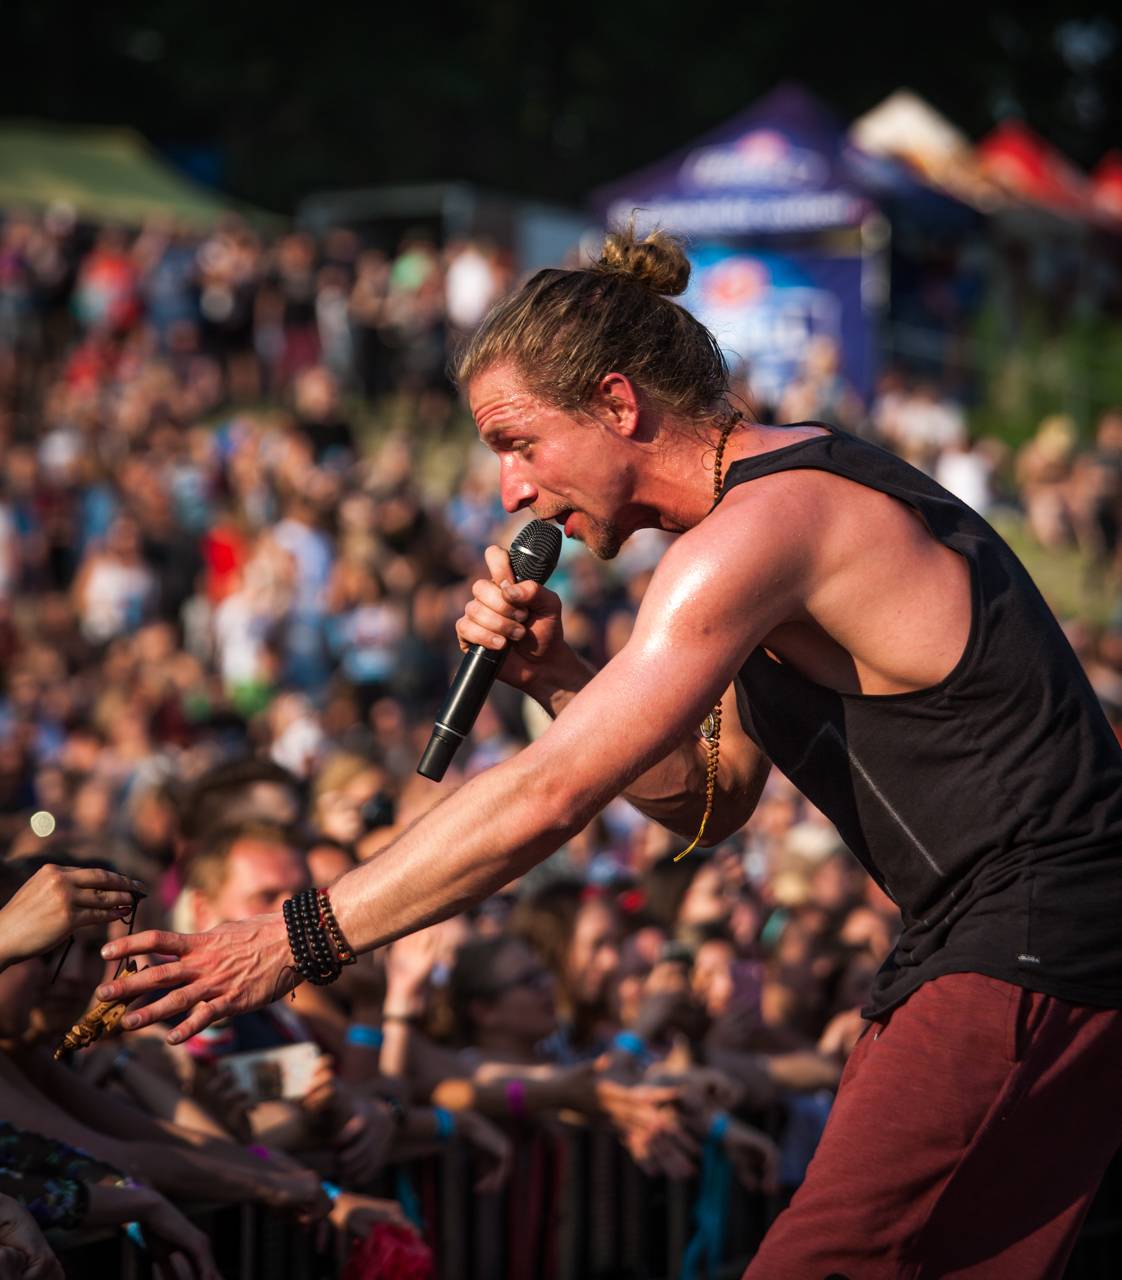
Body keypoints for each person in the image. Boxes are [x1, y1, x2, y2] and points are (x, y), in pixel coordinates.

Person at [100, 226, 1122, 1278]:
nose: (509, 490)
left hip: (1030, 941)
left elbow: (552, 792)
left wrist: (296, 936)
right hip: (1023, 943)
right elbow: (714, 800)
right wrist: (556, 677)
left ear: (619, 406)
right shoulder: (753, 519)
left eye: (517, 440)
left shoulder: (770, 524)